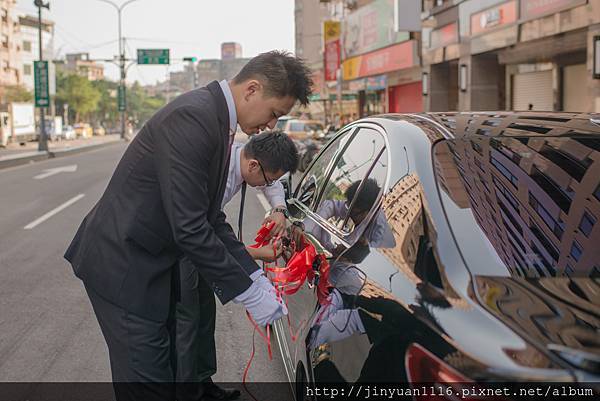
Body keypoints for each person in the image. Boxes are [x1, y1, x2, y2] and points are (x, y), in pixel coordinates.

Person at [64, 50, 312, 401]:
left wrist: (252, 276)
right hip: (124, 268)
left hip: (148, 266)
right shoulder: (194, 118)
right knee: (147, 382)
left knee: (160, 373)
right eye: (274, 114)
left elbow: (211, 218)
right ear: (252, 89)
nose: (271, 125)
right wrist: (250, 291)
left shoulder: (215, 119)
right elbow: (191, 226)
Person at [175, 131, 298, 401]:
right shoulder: (212, 169)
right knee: (187, 321)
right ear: (253, 166)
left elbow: (271, 183)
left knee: (204, 315)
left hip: (202, 238)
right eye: (267, 178)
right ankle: (186, 392)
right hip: (183, 247)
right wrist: (256, 255)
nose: (266, 185)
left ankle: (203, 383)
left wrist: (279, 209)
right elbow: (202, 235)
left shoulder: (246, 158)